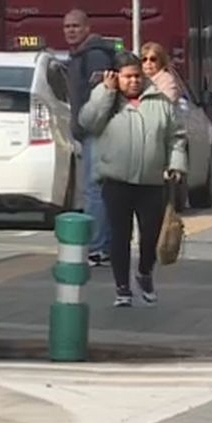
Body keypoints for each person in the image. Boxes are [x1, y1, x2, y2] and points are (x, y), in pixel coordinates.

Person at [79, 51, 187, 307]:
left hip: (152, 181)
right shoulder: (104, 98)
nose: (134, 81)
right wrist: (106, 92)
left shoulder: (159, 101)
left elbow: (176, 136)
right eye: (127, 77)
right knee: (120, 235)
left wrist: (176, 164)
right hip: (116, 180)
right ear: (116, 76)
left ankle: (144, 273)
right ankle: (122, 288)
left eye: (137, 76)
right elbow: (89, 122)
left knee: (151, 235)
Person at [62, 9, 119, 268]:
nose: (71, 30)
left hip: (97, 131)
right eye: (67, 26)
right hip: (90, 131)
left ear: (87, 28)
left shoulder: (94, 56)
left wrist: (92, 124)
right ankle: (103, 245)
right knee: (97, 190)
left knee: (94, 190)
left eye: (76, 26)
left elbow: (103, 97)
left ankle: (98, 248)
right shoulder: (79, 56)